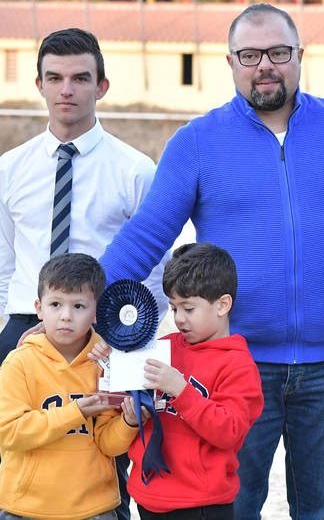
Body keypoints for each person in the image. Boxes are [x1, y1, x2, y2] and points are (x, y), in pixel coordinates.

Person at [98, 4, 324, 519]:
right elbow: (145, 237)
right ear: (230, 62)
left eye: (278, 52)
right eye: (250, 54)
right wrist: (86, 312)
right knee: (234, 509)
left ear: (299, 56)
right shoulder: (196, 144)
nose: (265, 64)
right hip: (230, 369)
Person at [0, 26, 167, 520]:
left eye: (79, 77)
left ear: (102, 86)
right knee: (18, 454)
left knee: (105, 456)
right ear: (39, 85)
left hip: (103, 337)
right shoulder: (9, 169)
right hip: (22, 331)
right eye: (54, 78)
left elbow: (155, 272)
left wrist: (127, 339)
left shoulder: (136, 170)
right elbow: (5, 262)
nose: (66, 89)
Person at [118, 242, 263, 519]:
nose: (179, 319)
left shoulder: (238, 365)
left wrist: (181, 390)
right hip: (148, 497)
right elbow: (123, 389)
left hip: (201, 504)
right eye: (174, 308)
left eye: (188, 308)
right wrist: (108, 358)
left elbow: (229, 431)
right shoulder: (165, 347)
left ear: (223, 305)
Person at [0, 253, 137, 520]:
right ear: (39, 308)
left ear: (96, 311)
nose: (65, 316)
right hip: (26, 508)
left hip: (94, 509)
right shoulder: (19, 363)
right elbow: (9, 432)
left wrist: (129, 423)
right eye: (55, 304)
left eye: (78, 306)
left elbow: (109, 444)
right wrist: (75, 412)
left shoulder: (107, 365)